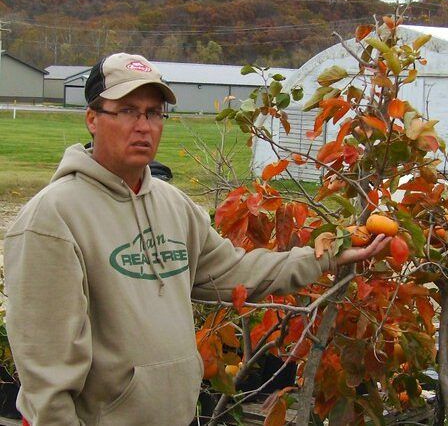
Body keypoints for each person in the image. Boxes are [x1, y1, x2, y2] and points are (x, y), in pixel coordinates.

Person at [3, 53, 389, 425]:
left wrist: (328, 255)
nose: (144, 125)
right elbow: (46, 371)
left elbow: (235, 271)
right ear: (92, 118)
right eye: (127, 111)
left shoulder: (174, 205)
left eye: (154, 113)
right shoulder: (52, 219)